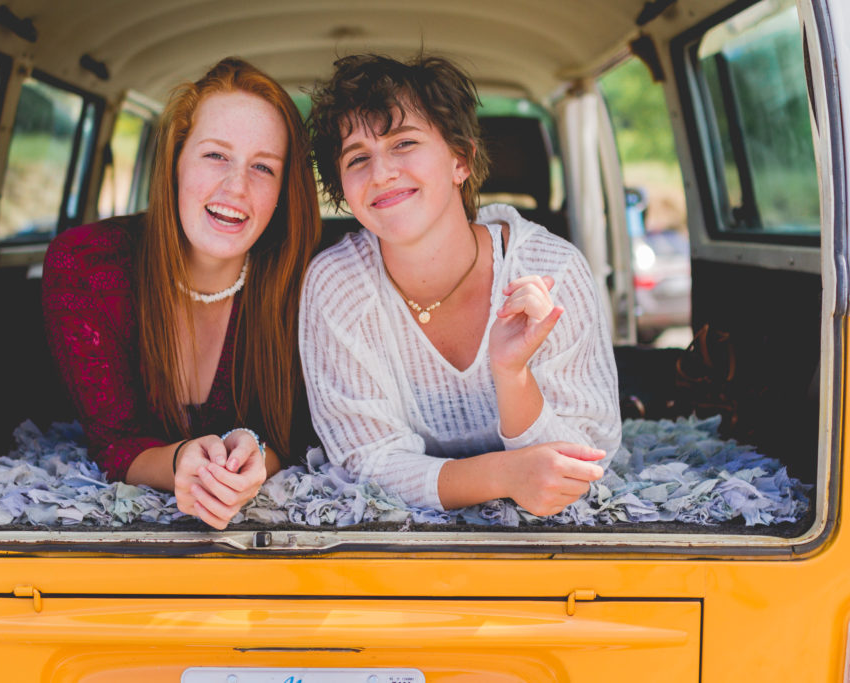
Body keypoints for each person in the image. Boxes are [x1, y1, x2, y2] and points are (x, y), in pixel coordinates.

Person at [302, 54, 621, 516]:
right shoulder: (337, 284)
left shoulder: (553, 267)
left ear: (461, 160)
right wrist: (503, 476)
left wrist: (513, 376)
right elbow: (367, 462)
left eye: (404, 143)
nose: (381, 173)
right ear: (344, 192)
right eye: (357, 158)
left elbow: (585, 463)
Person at [43, 57, 321, 529]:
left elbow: (295, 438)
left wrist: (255, 461)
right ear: (175, 161)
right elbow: (113, 443)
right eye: (216, 155)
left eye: (263, 167)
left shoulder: (306, 282)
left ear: (283, 192)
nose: (236, 187)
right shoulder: (87, 266)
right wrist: (179, 464)